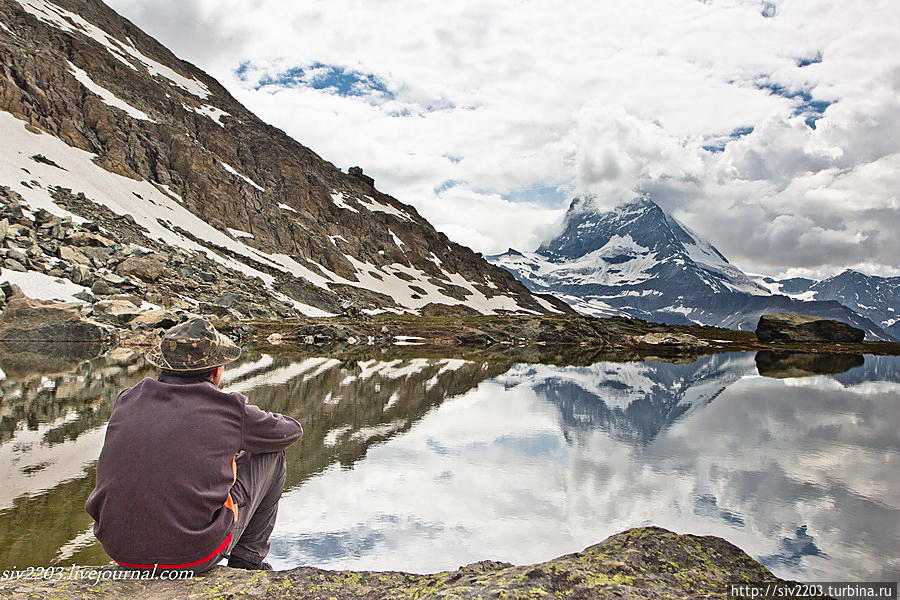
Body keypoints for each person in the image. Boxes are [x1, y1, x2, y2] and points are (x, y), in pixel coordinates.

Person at [85, 318, 302, 572]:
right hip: (192, 555)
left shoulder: (128, 398)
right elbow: (290, 431)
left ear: (162, 366)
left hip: (120, 550)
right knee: (272, 455)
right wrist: (237, 441)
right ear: (216, 371)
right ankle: (248, 561)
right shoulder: (229, 408)